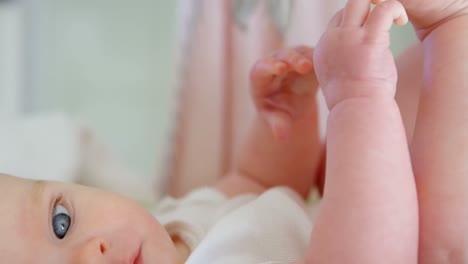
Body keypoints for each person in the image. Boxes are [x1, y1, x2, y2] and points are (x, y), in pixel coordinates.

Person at [0, 0, 465, 263]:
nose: (90, 254)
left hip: (365, 206)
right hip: (394, 248)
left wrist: (284, 116)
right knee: (441, 236)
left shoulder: (173, 221)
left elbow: (257, 183)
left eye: (61, 222)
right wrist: (358, 98)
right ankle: (450, 30)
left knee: (381, 124)